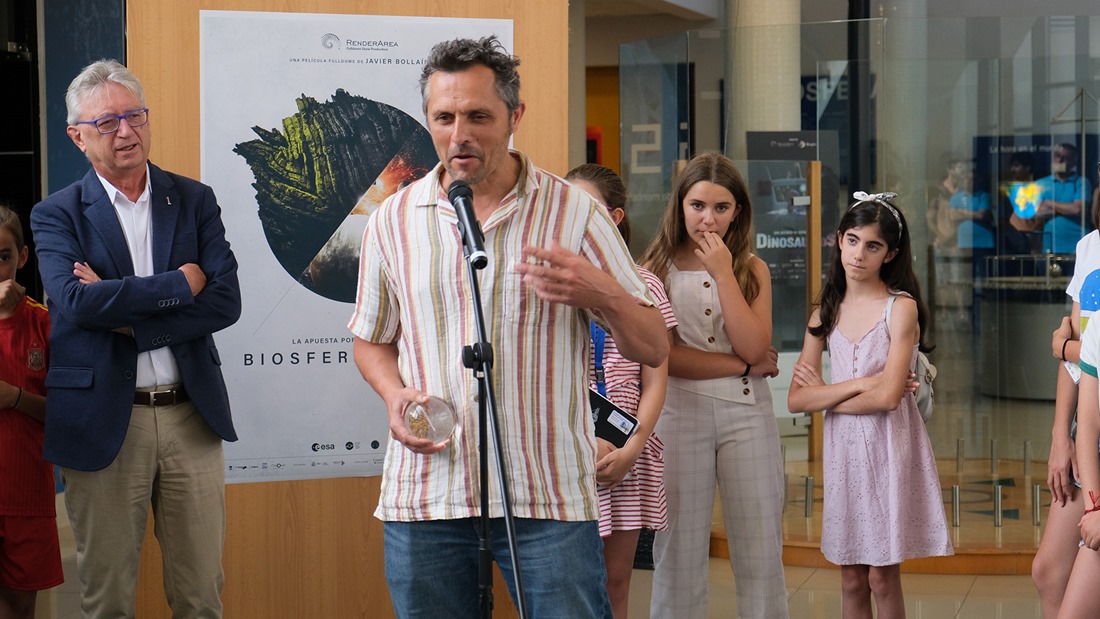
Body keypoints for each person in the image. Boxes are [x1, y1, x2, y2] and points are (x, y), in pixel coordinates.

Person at [347, 36, 668, 618]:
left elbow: (652, 344)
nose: (458, 134)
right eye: (443, 117)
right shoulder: (392, 219)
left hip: (545, 498)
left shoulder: (575, 212)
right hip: (429, 494)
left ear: (515, 116)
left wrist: (600, 293)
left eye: (478, 116)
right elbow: (371, 340)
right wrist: (394, 396)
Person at [30, 59, 241, 618]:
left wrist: (123, 310)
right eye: (107, 123)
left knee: (200, 596)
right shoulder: (56, 214)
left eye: (134, 116)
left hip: (189, 417)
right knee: (108, 601)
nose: (126, 131)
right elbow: (73, 303)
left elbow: (225, 301)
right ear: (77, 137)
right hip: (101, 420)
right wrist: (178, 284)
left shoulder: (193, 200)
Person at [788, 191, 953, 619]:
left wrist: (828, 394)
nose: (859, 254)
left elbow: (886, 400)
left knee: (882, 576)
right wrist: (866, 383)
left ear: (890, 253)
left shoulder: (901, 308)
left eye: (873, 245)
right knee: (850, 577)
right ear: (839, 240)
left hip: (887, 449)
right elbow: (795, 399)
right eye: (853, 240)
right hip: (843, 453)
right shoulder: (824, 310)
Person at [638, 152, 788, 618]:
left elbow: (754, 343)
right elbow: (667, 357)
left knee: (760, 547)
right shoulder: (655, 266)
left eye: (721, 207)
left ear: (737, 211)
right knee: (678, 550)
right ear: (680, 206)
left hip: (749, 416)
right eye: (698, 205)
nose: (708, 218)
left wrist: (724, 273)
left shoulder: (751, 268)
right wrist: (742, 367)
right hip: (679, 414)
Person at [565, 163, 675, 619]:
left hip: (626, 452)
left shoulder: (643, 283)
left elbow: (657, 378)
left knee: (616, 581)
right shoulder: (555, 284)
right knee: (566, 581)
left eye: (585, 208)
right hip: (565, 452)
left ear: (614, 217)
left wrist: (632, 447)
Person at [1040, 165, 1100, 617]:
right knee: (1047, 572)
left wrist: (1066, 343)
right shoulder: (1091, 246)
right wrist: (1061, 434)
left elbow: (1077, 344)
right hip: (1089, 426)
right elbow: (1079, 361)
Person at [0, 205, 62, 619]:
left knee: (21, 609)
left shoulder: (46, 323)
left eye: (3, 256)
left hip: (26, 491)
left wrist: (16, 398)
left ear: (22, 257)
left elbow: (70, 415)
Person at [1031, 143, 1092, 255]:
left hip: (1077, 246)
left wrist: (1048, 203)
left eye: (1066, 158)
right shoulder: (1040, 184)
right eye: (1058, 156)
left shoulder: (1081, 182)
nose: (1060, 160)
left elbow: (1078, 209)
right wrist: (1067, 208)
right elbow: (1036, 214)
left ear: (1073, 162)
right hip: (1049, 247)